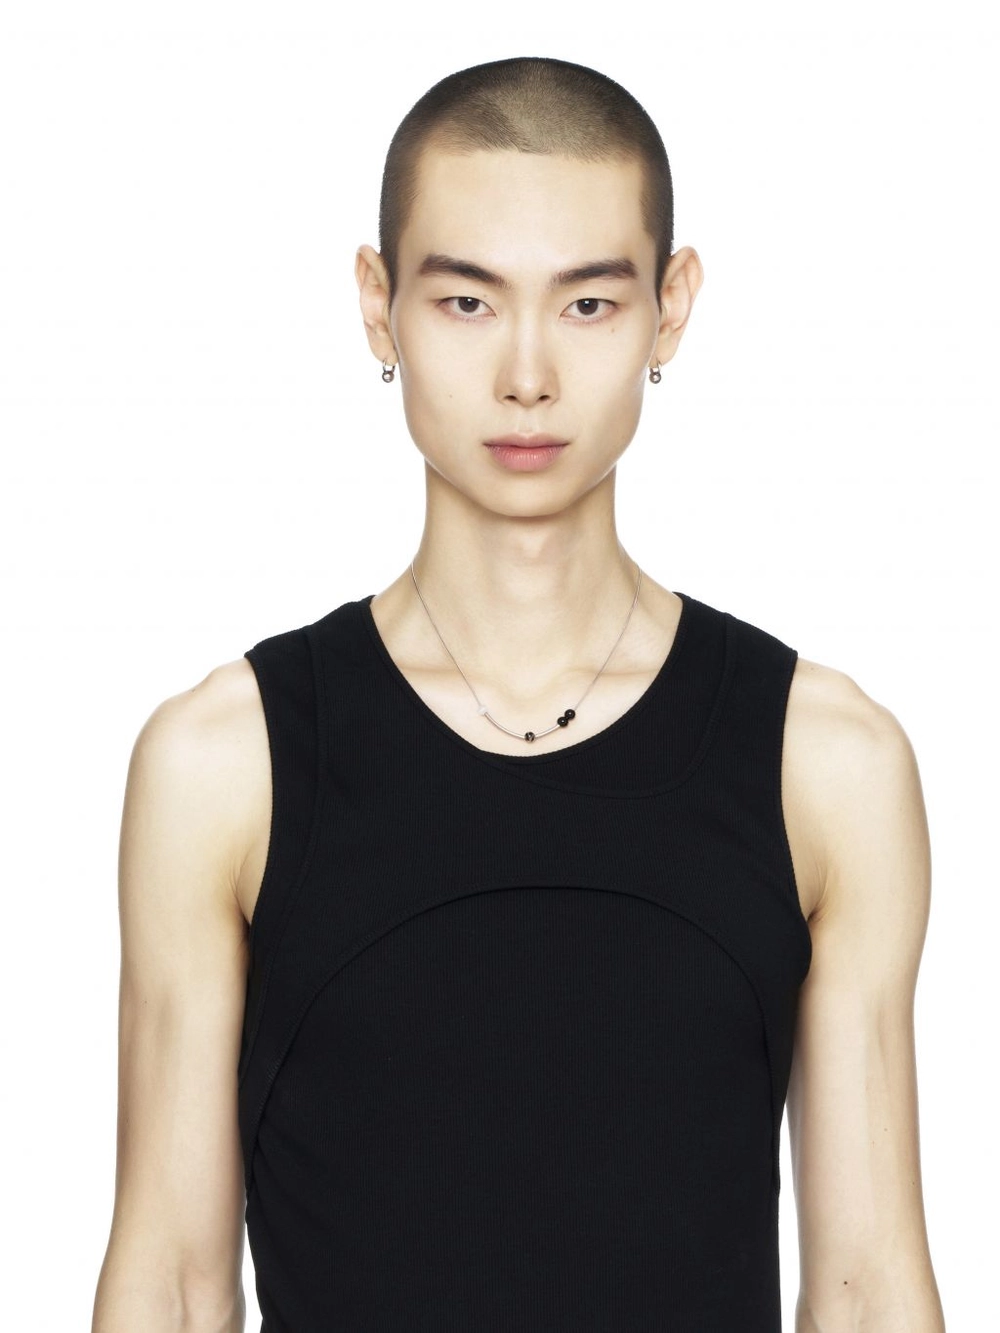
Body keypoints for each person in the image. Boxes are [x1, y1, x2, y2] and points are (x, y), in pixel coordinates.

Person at [92, 56, 946, 1333]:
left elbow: (869, 1287)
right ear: (378, 305)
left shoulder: (825, 762)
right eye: (466, 301)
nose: (528, 374)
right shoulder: (226, 763)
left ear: (670, 308)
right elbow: (169, 1279)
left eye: (588, 303)